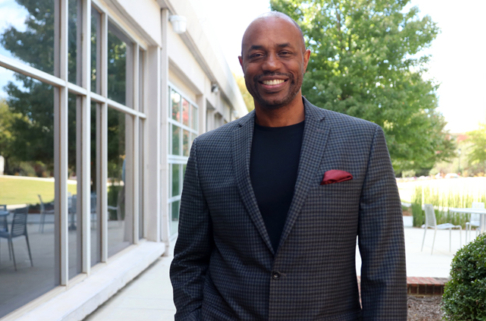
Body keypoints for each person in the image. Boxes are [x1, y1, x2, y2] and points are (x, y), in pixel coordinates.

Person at [170, 11, 406, 320]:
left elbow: (384, 262)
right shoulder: (207, 151)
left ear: (305, 59)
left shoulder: (363, 140)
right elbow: (189, 259)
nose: (270, 64)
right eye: (257, 55)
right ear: (242, 65)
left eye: (284, 52)